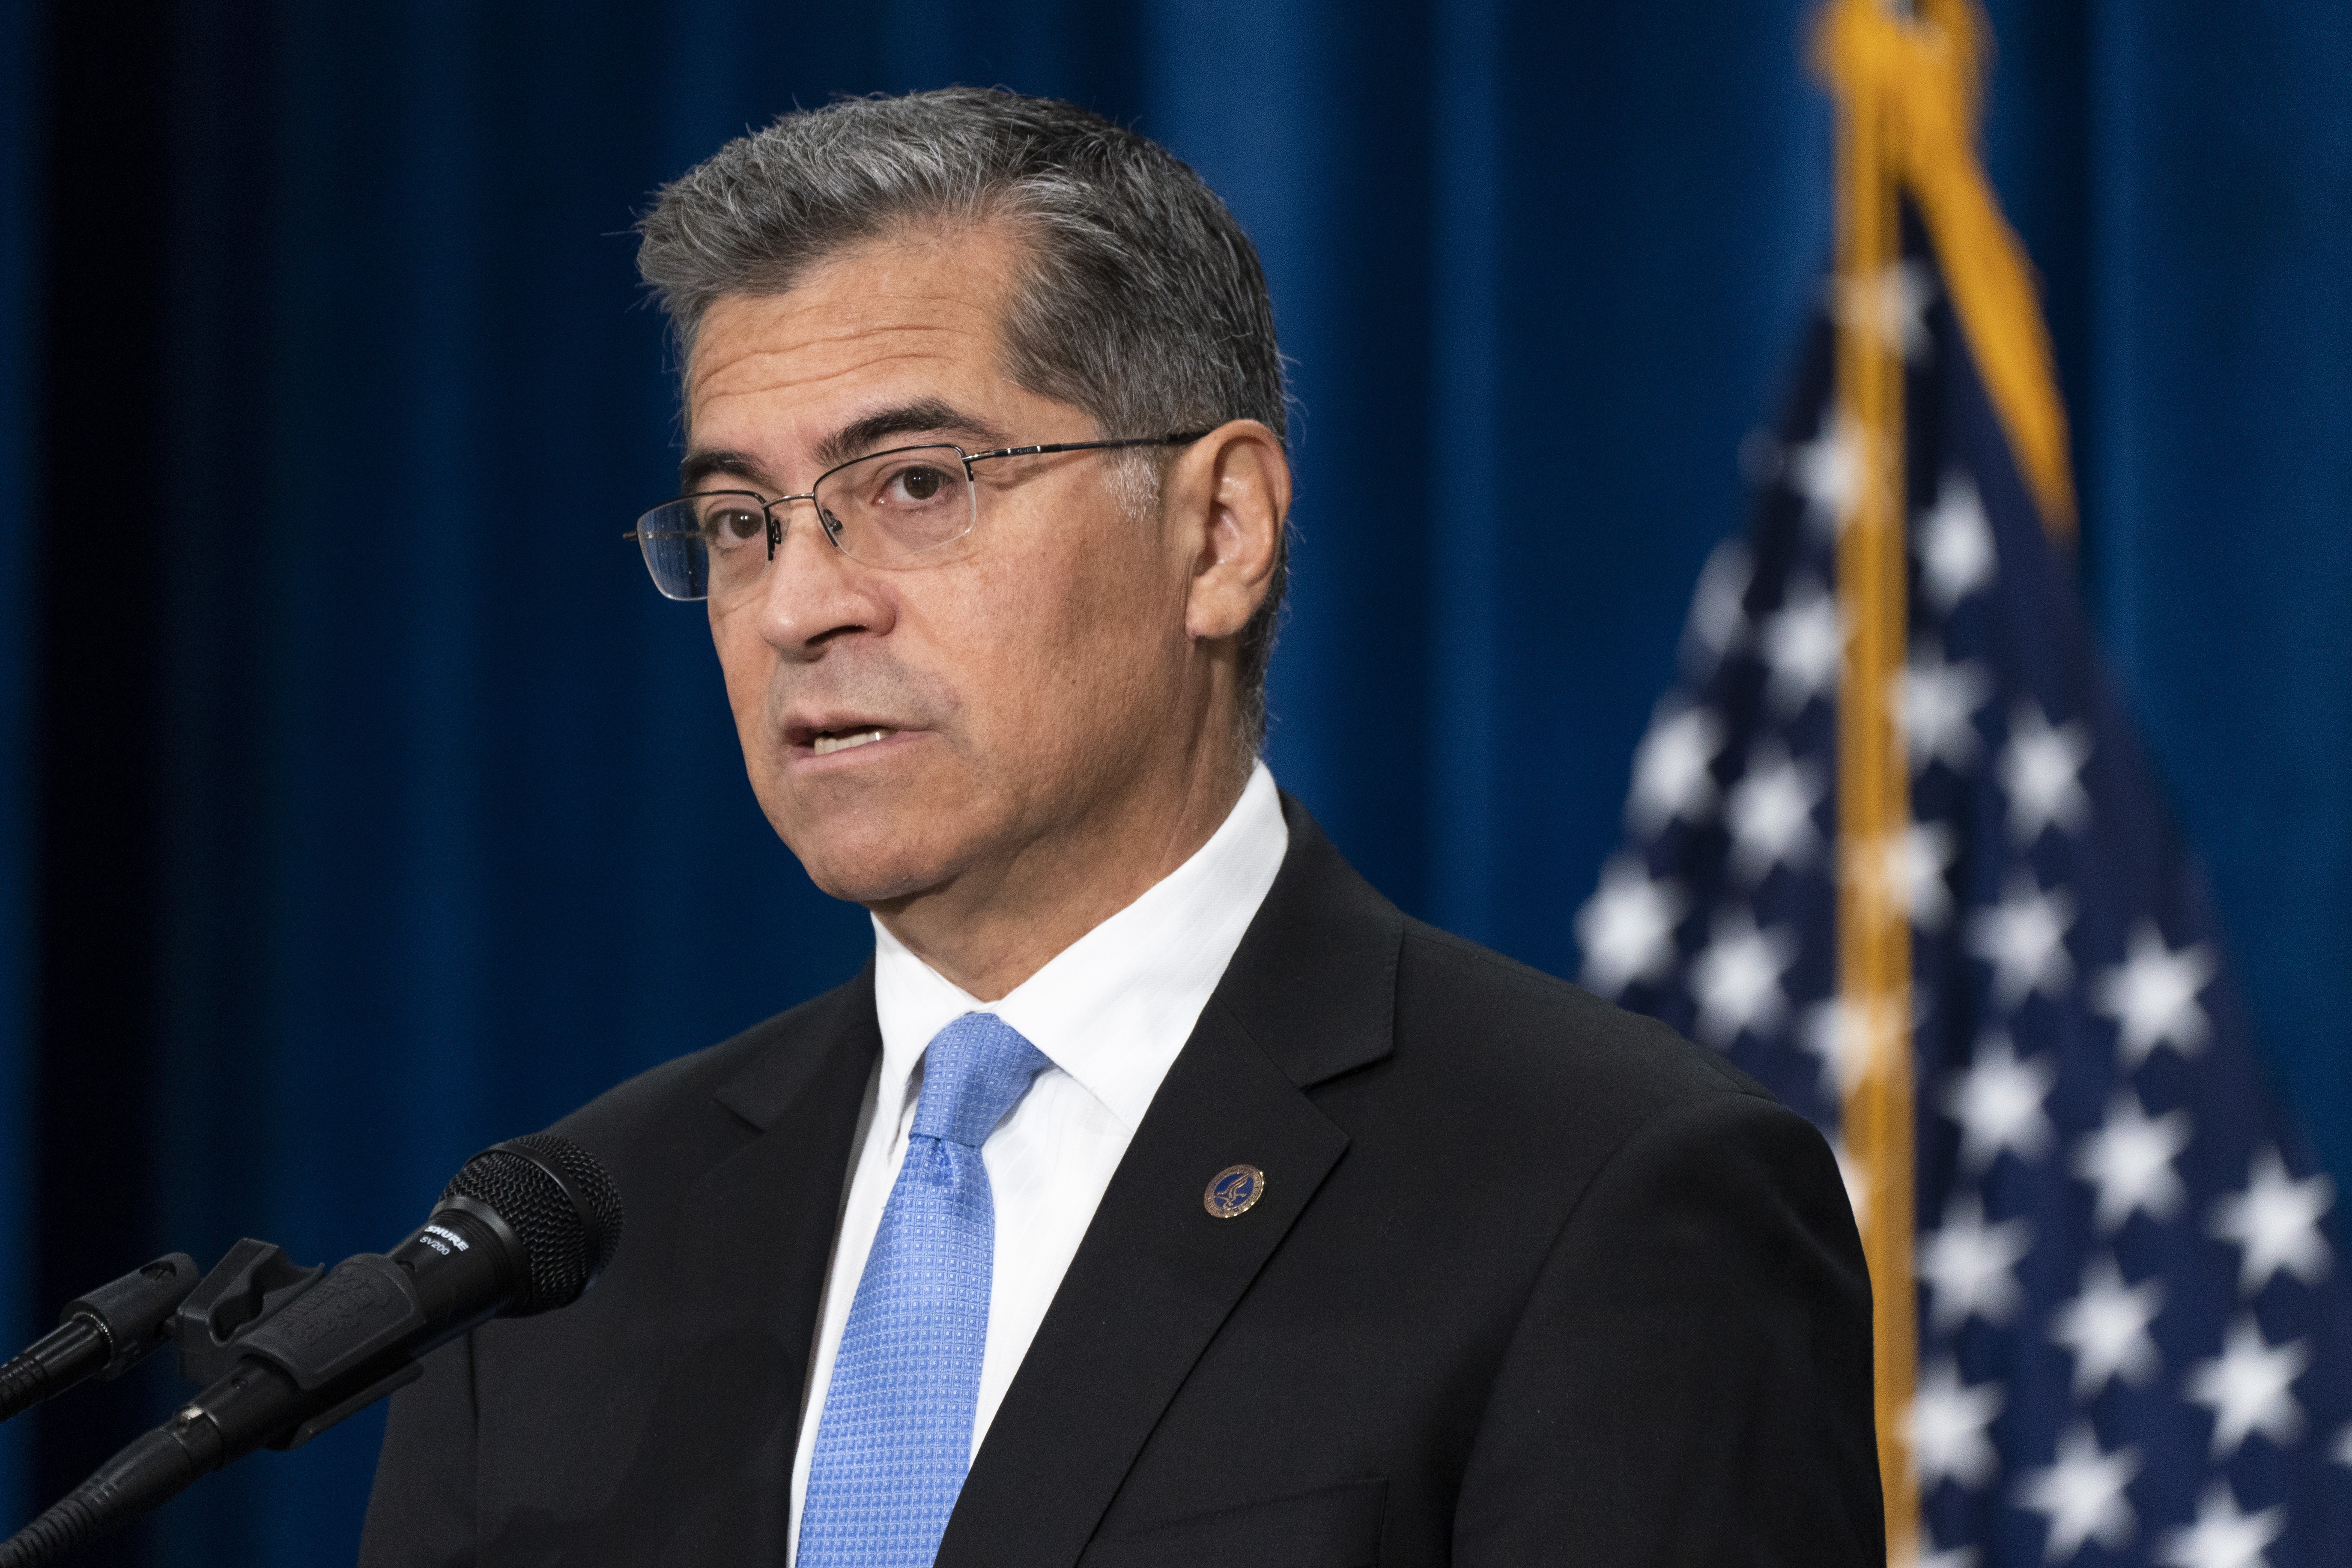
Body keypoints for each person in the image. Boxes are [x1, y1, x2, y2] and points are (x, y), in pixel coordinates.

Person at [360, 88, 1883, 1567]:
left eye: (915, 486)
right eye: (742, 523)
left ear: (1218, 532)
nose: (798, 606)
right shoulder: (556, 1253)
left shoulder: (1600, 1192)